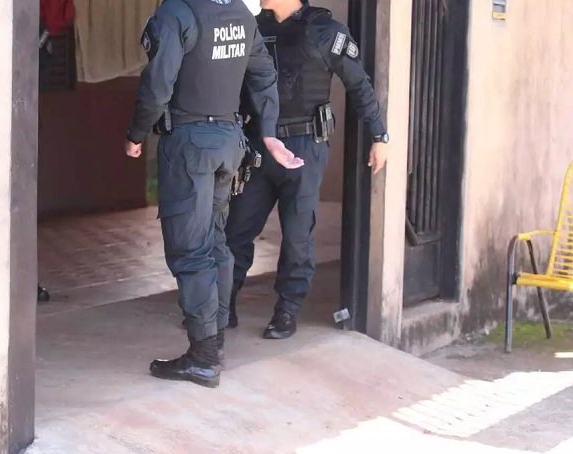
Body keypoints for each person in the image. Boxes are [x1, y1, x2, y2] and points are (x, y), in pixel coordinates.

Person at [124, 0, 304, 388]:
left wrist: (137, 133)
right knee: (215, 243)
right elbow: (264, 73)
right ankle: (214, 343)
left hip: (190, 145)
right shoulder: (239, 14)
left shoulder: (177, 12)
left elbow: (158, 84)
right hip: (228, 141)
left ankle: (203, 358)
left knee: (191, 250)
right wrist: (268, 131)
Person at [226, 0, 389, 339]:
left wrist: (379, 135)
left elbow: (358, 84)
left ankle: (287, 310)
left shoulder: (325, 30)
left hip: (304, 146)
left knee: (298, 235)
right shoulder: (253, 28)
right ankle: (222, 304)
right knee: (237, 228)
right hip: (259, 145)